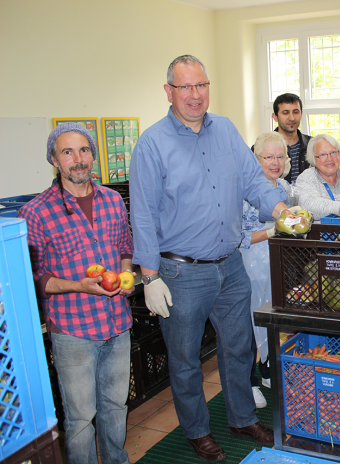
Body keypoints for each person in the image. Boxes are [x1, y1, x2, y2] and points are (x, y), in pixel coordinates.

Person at [129, 55, 290, 462]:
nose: (195, 95)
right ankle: (197, 431)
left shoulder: (226, 131)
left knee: (237, 348)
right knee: (184, 360)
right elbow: (143, 213)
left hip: (230, 263)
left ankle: (240, 417)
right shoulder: (152, 144)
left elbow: (255, 180)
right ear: (169, 91)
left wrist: (279, 209)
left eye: (201, 85)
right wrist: (149, 277)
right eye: (185, 87)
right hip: (180, 272)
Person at [19, 123, 135, 464]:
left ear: (93, 156)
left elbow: (125, 247)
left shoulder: (113, 200)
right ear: (54, 160)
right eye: (67, 152)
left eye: (84, 150)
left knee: (116, 405)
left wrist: (126, 272)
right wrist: (77, 285)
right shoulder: (37, 212)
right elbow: (36, 278)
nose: (78, 159)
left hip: (118, 323)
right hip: (73, 330)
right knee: (81, 417)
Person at [241, 132, 296, 408]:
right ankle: (248, 382)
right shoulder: (244, 191)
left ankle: (267, 372)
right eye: (268, 157)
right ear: (256, 158)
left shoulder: (284, 188)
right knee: (250, 323)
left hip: (277, 265)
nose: (275, 162)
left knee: (273, 317)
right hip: (250, 266)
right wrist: (273, 231)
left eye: (280, 156)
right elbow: (238, 237)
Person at [251, 93, 312, 183]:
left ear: (301, 114)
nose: (291, 118)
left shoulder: (312, 145)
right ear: (275, 117)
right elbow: (252, 182)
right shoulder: (260, 148)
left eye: (295, 112)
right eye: (285, 113)